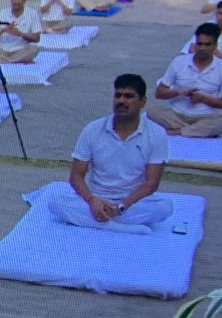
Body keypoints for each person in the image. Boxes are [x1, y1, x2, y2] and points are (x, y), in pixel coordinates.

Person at [50, 74, 174, 233]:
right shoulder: (93, 129)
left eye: (129, 96)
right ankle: (121, 227)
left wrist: (121, 207)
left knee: (165, 207)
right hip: (95, 199)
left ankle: (101, 222)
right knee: (55, 203)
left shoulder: (156, 134)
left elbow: (151, 184)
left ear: (143, 101)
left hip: (131, 202)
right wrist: (92, 201)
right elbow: (76, 176)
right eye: (118, 95)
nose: (121, 101)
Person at [149, 23, 222, 137]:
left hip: (205, 117)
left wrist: (203, 98)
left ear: (215, 46)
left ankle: (180, 131)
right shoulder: (179, 62)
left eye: (207, 44)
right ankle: (195, 131)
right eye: (199, 44)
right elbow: (159, 93)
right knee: (152, 112)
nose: (202, 48)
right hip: (177, 114)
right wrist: (180, 92)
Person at [0, 0, 42, 64]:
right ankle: (17, 60)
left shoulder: (32, 13)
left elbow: (37, 38)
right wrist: (3, 30)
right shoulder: (3, 13)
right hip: (2, 50)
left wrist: (20, 34)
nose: (16, 1)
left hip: (21, 50)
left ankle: (6, 61)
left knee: (34, 49)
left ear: (24, 0)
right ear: (11, 0)